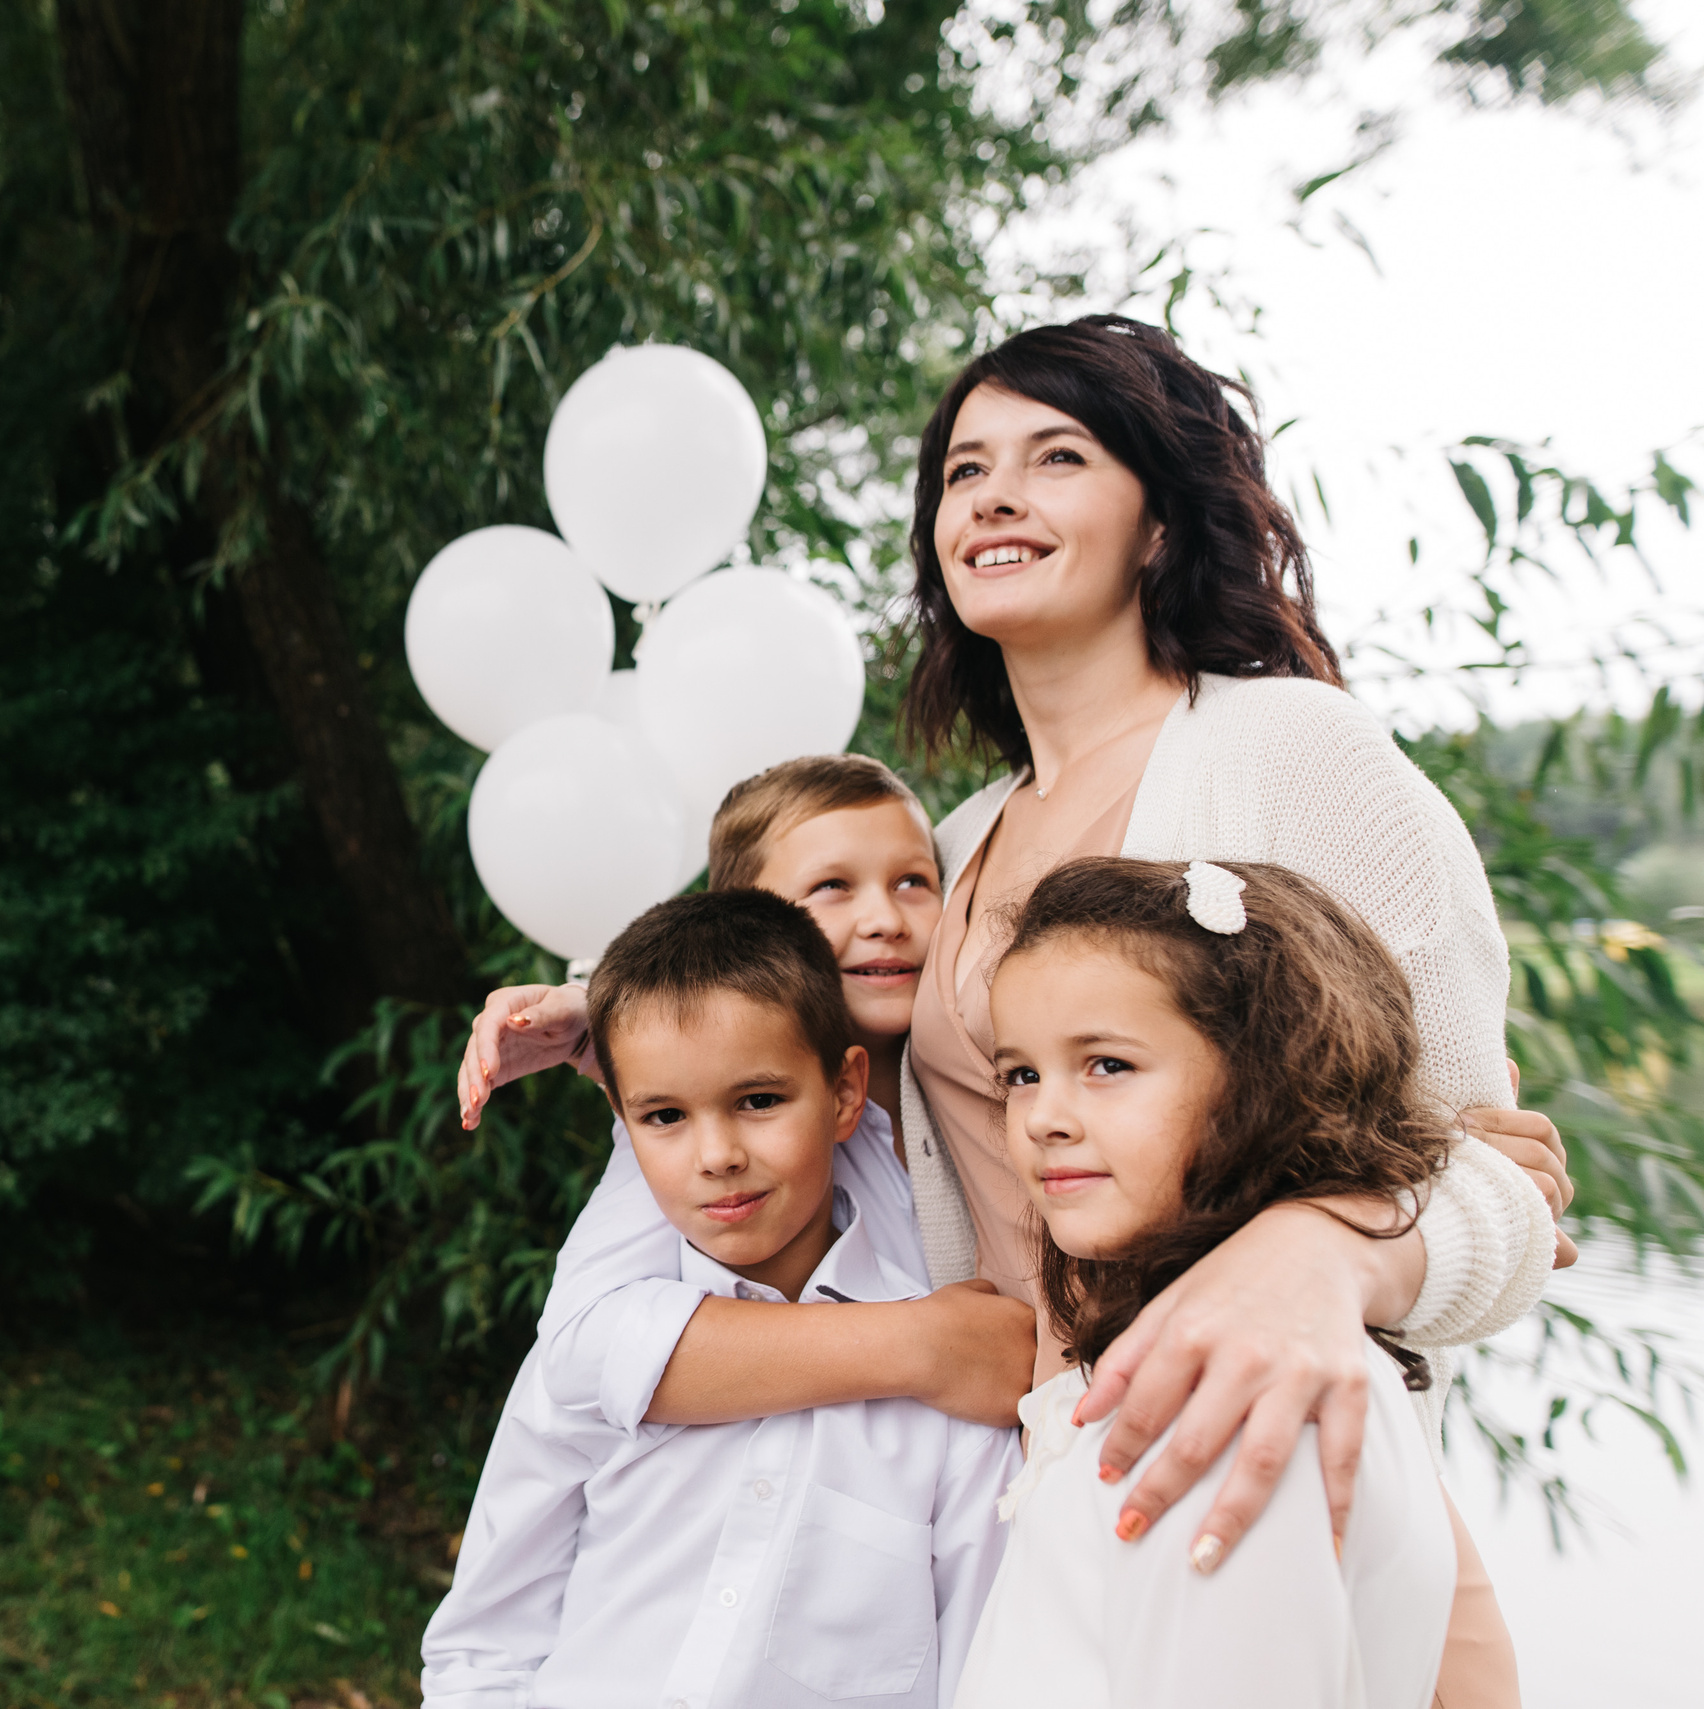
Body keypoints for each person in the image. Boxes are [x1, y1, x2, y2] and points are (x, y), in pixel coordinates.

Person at [459, 317, 1575, 1704]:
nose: (993, 494)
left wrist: (1320, 1255)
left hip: (1268, 1475)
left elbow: (1504, 1186)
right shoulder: (965, 841)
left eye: (1057, 456)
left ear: (1160, 521)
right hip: (1047, 1483)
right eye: (963, 469)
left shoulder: (1296, 754)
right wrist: (612, 1002)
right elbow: (824, 1028)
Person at [422, 889, 1020, 1709]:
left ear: (846, 1094)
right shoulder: (593, 1355)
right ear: (623, 1124)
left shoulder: (946, 1396)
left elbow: (981, 1676)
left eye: (760, 1100)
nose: (717, 1155)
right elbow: (484, 1644)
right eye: (664, 1115)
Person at [952, 856, 1457, 1708]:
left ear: (1264, 1076)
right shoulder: (1203, 1350)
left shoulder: (1239, 1392)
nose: (1043, 1117)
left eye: (1107, 1064)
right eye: (1021, 1074)